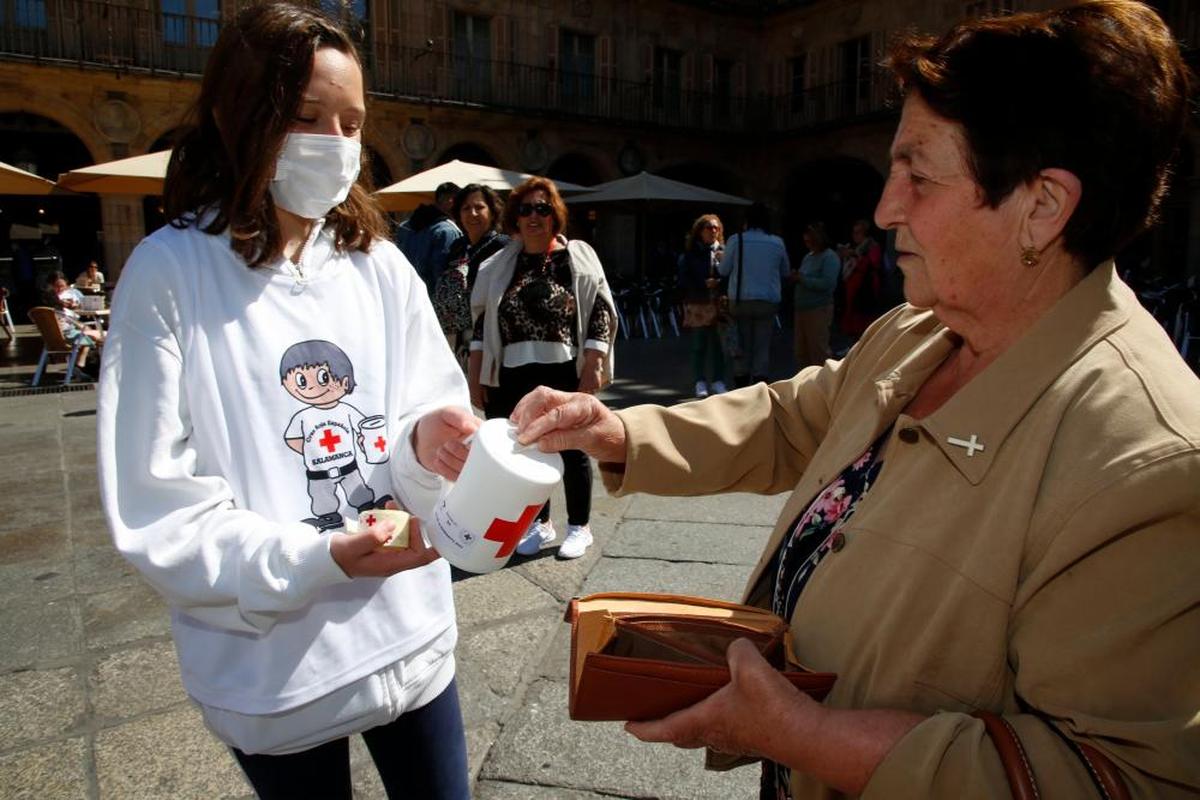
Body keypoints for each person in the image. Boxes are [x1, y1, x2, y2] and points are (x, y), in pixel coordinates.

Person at [510, 2, 1199, 797]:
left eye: (919, 175)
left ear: (1043, 207)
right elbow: (797, 414)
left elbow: (1120, 778)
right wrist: (619, 431)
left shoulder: (1147, 462)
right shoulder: (921, 327)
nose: (884, 207)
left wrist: (810, 737)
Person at [96, 5, 480, 798]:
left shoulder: (376, 263)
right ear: (246, 115)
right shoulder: (170, 274)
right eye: (307, 117)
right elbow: (158, 508)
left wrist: (426, 443)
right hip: (275, 675)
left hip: (408, 637)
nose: (335, 145)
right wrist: (318, 557)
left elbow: (418, 405)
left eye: (352, 123)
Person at [468, 176, 616, 560]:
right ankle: (540, 523)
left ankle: (579, 527)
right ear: (514, 218)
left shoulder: (576, 258)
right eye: (526, 209)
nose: (534, 216)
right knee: (526, 450)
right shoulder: (498, 265)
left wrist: (594, 362)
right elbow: (482, 327)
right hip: (512, 370)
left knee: (572, 448)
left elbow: (599, 310)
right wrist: (475, 374)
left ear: (555, 216)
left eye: (543, 209)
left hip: (562, 368)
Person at [433, 183, 510, 369]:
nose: (472, 213)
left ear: (492, 212)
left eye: (479, 207)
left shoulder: (503, 247)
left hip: (493, 341)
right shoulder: (458, 246)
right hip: (459, 343)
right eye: (466, 208)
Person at [719, 202, 790, 387]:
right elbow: (785, 271)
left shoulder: (736, 240)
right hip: (767, 300)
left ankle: (742, 386)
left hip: (741, 300)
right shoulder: (777, 242)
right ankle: (760, 385)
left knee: (741, 346)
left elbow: (724, 270)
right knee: (762, 346)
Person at [678, 214, 727, 398]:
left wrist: (719, 281)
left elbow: (731, 275)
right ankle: (699, 381)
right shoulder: (691, 254)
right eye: (708, 227)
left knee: (718, 344)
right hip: (698, 303)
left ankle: (718, 380)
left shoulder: (724, 251)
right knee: (699, 344)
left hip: (718, 303)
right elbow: (683, 279)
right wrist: (702, 283)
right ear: (700, 231)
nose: (713, 231)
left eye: (716, 228)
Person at [789, 223, 839, 369]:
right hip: (802, 309)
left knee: (818, 351)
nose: (808, 244)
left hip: (818, 309)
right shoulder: (808, 257)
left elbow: (828, 284)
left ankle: (824, 385)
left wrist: (802, 279)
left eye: (810, 241)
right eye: (806, 242)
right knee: (801, 351)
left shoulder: (829, 257)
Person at [396, 180, 461, 291]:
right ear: (451, 201)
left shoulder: (403, 227)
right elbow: (442, 276)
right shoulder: (447, 231)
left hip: (405, 294)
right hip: (432, 301)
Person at [46, 271, 104, 371]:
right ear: (51, 285)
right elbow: (66, 318)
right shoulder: (52, 301)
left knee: (90, 335)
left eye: (62, 286)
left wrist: (76, 306)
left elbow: (82, 307)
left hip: (55, 335)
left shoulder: (70, 294)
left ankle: (79, 366)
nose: (60, 289)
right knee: (99, 337)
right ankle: (85, 367)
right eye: (57, 286)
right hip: (66, 333)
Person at [837, 219, 884, 341]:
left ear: (865, 233)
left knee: (862, 316)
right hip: (852, 285)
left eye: (858, 232)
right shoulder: (855, 247)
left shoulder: (872, 247)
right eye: (854, 232)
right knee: (851, 313)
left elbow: (874, 264)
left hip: (865, 285)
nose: (855, 235)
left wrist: (855, 255)